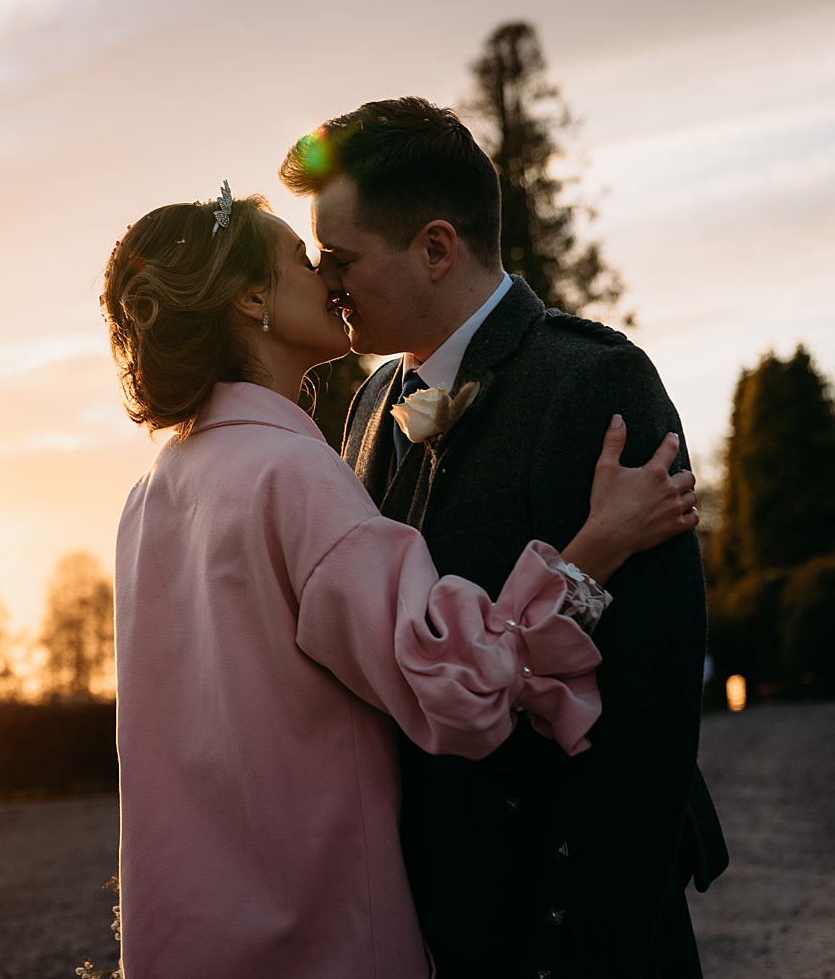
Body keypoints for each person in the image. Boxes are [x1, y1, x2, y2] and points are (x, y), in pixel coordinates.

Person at [105, 188, 698, 979]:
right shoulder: (291, 474)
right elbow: (461, 683)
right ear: (253, 299)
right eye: (298, 258)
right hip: (326, 935)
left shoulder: (150, 495)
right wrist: (592, 552)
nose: (326, 276)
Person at [279, 97, 727, 978]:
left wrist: (574, 949)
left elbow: (651, 704)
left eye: (340, 258)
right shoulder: (371, 406)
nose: (326, 282)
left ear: (436, 248)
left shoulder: (593, 380)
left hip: (569, 916)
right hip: (438, 918)